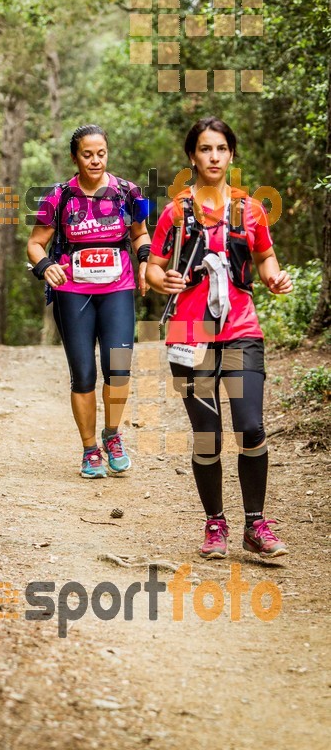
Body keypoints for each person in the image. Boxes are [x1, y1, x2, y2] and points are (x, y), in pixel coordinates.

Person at [146, 116, 292, 559]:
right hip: (189, 334)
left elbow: (265, 257)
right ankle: (215, 524)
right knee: (207, 434)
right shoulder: (175, 211)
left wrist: (273, 278)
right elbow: (151, 266)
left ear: (231, 155)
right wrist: (160, 280)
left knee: (250, 426)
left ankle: (255, 524)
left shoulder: (250, 209)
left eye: (221, 149)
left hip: (242, 330)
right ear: (193, 156)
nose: (214, 156)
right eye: (205, 149)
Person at [27, 124, 151, 478]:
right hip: (73, 291)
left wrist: (144, 263)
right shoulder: (58, 196)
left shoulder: (128, 192)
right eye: (87, 154)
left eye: (101, 153)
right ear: (74, 157)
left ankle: (112, 435)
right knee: (83, 375)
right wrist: (46, 266)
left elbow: (140, 234)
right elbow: (35, 244)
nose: (95, 161)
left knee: (119, 369)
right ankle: (89, 450)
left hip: (118, 287)